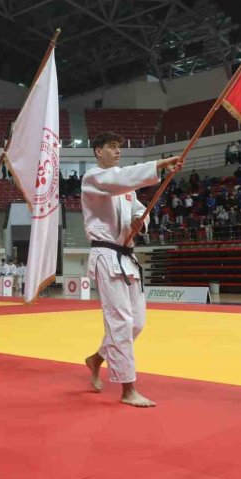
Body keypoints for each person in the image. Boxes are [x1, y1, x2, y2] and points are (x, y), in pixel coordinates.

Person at [81, 132, 180, 408]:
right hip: (106, 254)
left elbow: (138, 210)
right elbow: (118, 181)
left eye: (118, 147)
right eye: (111, 147)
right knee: (120, 321)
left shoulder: (127, 190)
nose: (117, 151)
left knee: (137, 322)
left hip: (127, 256)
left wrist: (139, 222)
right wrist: (158, 166)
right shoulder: (92, 178)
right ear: (98, 151)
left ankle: (97, 358)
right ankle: (127, 389)